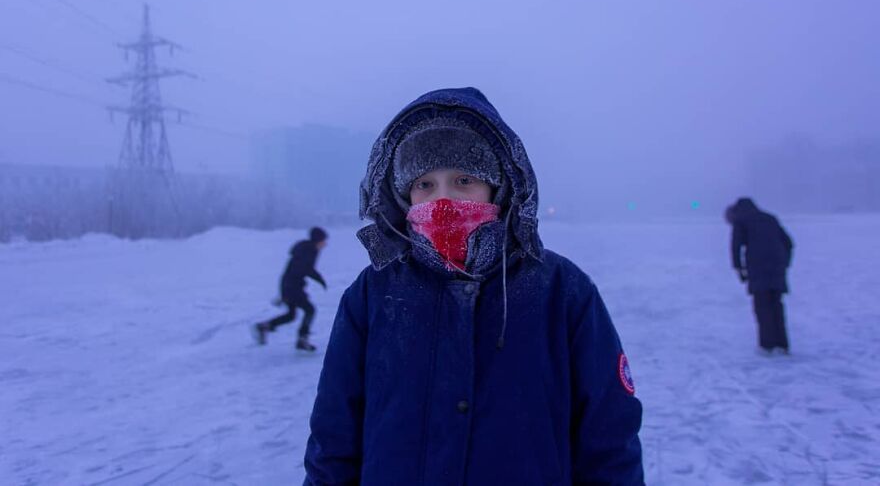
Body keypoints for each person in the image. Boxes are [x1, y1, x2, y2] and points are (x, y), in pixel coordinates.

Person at [304, 88, 644, 485]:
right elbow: (334, 436)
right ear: (402, 196)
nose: (443, 199)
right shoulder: (374, 293)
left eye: (463, 180)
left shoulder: (561, 291)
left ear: (498, 187)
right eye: (424, 184)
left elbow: (609, 438)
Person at [725, 198, 794, 355]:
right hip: (777, 267)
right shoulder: (770, 218)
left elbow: (735, 247)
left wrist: (739, 269)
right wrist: (785, 263)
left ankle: (767, 345)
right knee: (776, 305)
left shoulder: (741, 221)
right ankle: (782, 344)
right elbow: (789, 243)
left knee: (762, 306)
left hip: (758, 267)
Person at [254, 226, 328, 352]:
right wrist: (320, 279)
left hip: (288, 285)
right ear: (318, 240)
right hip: (293, 287)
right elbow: (305, 269)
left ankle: (264, 327)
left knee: (291, 315)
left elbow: (301, 268)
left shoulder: (305, 248)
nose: (325, 244)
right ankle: (302, 340)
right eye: (323, 241)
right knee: (310, 310)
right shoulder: (309, 250)